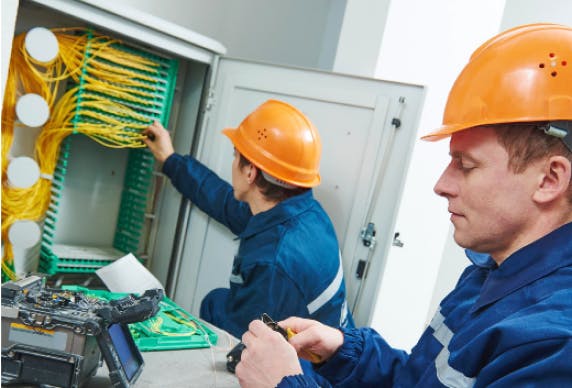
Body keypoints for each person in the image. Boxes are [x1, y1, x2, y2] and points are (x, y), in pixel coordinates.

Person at [235, 23, 572, 387]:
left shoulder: (553, 345)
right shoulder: (489, 275)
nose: (441, 185)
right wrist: (344, 351)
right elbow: (419, 380)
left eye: (467, 165)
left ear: (549, 179)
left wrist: (283, 384)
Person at [143, 99, 354, 339]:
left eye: (236, 156)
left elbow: (247, 346)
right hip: (329, 341)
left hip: (309, 369)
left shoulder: (273, 262)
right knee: (216, 302)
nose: (233, 163)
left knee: (215, 307)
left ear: (250, 172)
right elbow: (224, 202)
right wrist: (171, 160)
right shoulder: (304, 213)